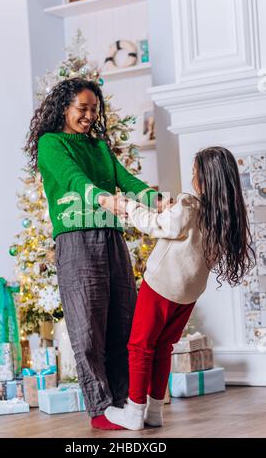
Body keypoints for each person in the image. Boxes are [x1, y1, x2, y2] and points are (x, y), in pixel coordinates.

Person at [24, 77, 162, 430]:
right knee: (87, 329)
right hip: (76, 243)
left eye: (93, 111)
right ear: (64, 108)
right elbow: (72, 178)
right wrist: (102, 198)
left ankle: (125, 404)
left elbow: (126, 179)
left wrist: (157, 200)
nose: (88, 116)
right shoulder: (51, 143)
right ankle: (101, 410)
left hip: (112, 240)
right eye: (81, 109)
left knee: (124, 323)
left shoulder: (99, 146)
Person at [105, 146, 255, 430]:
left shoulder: (188, 204)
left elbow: (158, 226)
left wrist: (129, 207)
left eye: (195, 173)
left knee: (139, 346)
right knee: (163, 347)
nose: (192, 178)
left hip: (161, 285)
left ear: (204, 178)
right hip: (188, 294)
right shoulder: (226, 216)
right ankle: (154, 412)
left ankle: (134, 411)